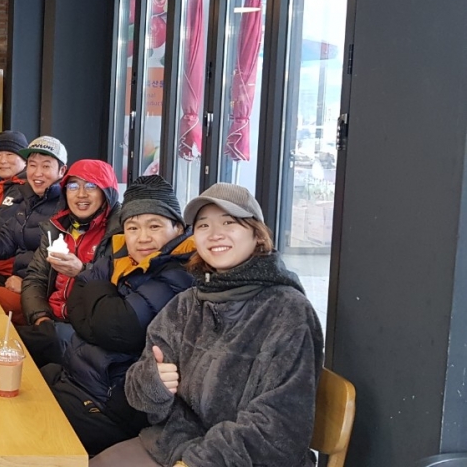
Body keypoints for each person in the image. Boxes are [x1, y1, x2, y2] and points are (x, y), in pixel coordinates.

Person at [95, 183, 323, 467]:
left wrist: (197, 462)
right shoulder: (187, 303)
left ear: (257, 234)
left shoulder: (287, 310)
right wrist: (153, 381)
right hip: (171, 443)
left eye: (229, 222)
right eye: (203, 225)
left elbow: (278, 427)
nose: (215, 234)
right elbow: (139, 392)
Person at [42, 176, 195, 456]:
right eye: (133, 227)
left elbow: (118, 328)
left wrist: (94, 294)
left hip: (109, 405)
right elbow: (77, 306)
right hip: (77, 378)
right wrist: (99, 313)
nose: (143, 237)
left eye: (155, 226)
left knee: (27, 430)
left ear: (178, 228)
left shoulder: (180, 273)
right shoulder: (122, 255)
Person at [16, 159, 121, 365]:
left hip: (85, 329)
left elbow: (120, 289)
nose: (81, 194)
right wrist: (41, 317)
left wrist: (82, 271)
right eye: (73, 186)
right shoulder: (57, 228)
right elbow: (35, 278)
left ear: (107, 193)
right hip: (50, 321)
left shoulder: (120, 233)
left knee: (10, 345)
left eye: (91, 186)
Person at [0, 136, 67, 311]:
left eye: (46, 166)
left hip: (37, 293)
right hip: (16, 280)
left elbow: (61, 264)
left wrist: (26, 283)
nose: (37, 173)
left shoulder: (65, 206)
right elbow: (5, 239)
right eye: (33, 165)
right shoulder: (29, 199)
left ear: (62, 171)